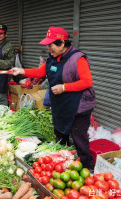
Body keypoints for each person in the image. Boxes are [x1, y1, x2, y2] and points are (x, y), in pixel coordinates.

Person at [11, 27, 96, 169]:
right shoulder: (53, 58)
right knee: (61, 135)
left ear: (62, 43)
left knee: (78, 139)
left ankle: (88, 168)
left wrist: (64, 87)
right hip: (61, 104)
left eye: (51, 45)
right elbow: (40, 71)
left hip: (78, 106)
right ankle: (63, 165)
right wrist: (22, 71)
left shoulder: (78, 58)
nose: (48, 48)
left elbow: (87, 82)